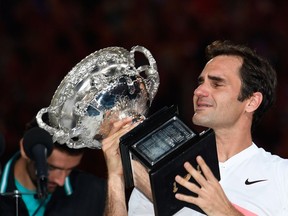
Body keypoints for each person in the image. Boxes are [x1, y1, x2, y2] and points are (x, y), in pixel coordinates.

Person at [101, 40, 288, 215]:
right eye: (200, 82)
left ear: (251, 101)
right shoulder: (157, 170)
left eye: (217, 84)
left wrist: (224, 211)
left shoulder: (281, 175)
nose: (199, 91)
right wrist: (116, 178)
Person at [0, 115, 106, 216]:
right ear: (25, 149)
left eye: (70, 169)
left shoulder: (94, 192)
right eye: (51, 167)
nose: (61, 181)